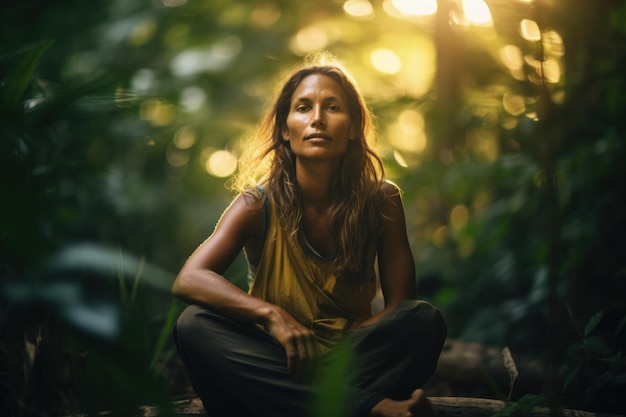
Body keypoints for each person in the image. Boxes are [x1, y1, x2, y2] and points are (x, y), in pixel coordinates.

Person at [171, 53, 447, 417]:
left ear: (352, 128)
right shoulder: (257, 204)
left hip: (345, 361)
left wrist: (344, 342)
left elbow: (401, 307)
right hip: (275, 357)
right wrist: (273, 317)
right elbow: (189, 279)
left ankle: (310, 404)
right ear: (286, 129)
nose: (317, 119)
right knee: (193, 325)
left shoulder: (382, 201)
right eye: (303, 108)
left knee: (423, 321)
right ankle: (374, 409)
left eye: (332, 107)